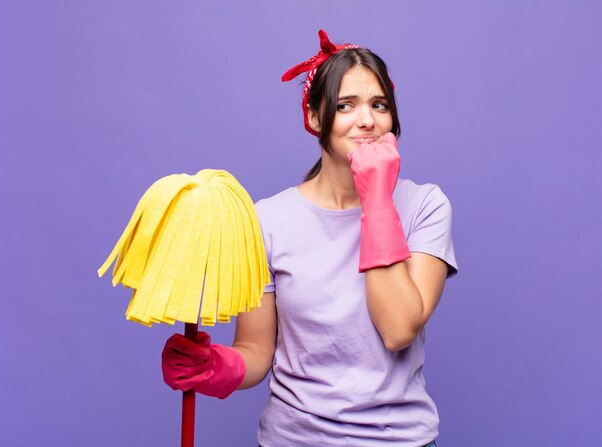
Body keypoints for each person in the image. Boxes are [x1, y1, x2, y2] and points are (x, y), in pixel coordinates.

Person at [162, 30, 458, 447]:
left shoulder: (425, 205)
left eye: (379, 105)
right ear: (315, 118)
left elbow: (397, 330)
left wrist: (376, 199)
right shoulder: (267, 220)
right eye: (345, 106)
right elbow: (254, 351)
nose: (367, 120)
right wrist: (213, 367)